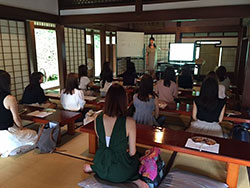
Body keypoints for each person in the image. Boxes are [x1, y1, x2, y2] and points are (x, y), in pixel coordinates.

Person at [83, 84, 148, 188]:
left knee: (106, 156)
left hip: (101, 166)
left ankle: (92, 168)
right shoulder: (129, 122)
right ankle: (135, 179)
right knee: (137, 159)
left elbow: (104, 143)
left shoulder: (97, 119)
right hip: (120, 173)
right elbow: (132, 152)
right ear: (124, 101)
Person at [0, 70, 37, 157]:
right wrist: (21, 128)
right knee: (34, 134)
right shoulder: (9, 98)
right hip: (7, 133)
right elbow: (16, 118)